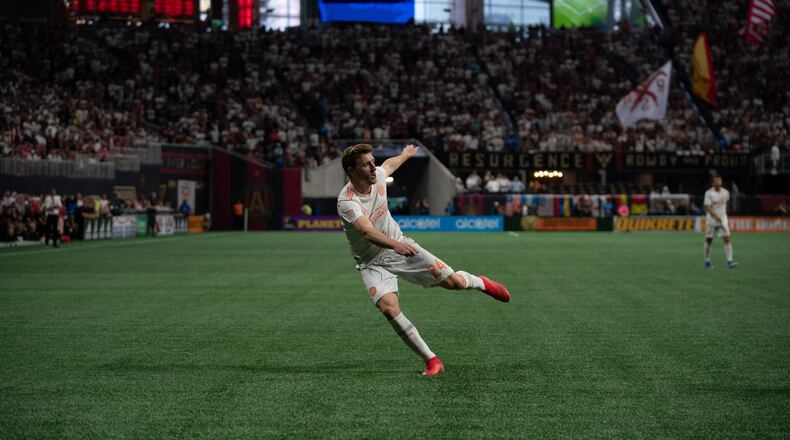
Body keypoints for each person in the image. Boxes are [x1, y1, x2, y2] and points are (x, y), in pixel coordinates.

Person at [337, 144, 511, 377]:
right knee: (388, 308)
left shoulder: (377, 175)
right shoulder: (347, 202)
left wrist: (406, 154)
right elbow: (367, 232)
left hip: (398, 246)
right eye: (365, 165)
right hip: (373, 261)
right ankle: (432, 360)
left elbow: (389, 165)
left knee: (455, 284)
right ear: (351, 170)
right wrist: (396, 244)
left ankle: (481, 282)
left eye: (371, 162)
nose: (372, 168)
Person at [703, 176, 737, 269]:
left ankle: (730, 260)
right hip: (711, 220)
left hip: (722, 219)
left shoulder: (726, 192)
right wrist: (716, 216)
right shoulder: (709, 193)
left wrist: (724, 215)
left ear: (721, 182)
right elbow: (707, 207)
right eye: (716, 181)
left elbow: (726, 205)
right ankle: (707, 261)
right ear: (713, 183)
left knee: (727, 238)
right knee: (709, 240)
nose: (718, 182)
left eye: (719, 181)